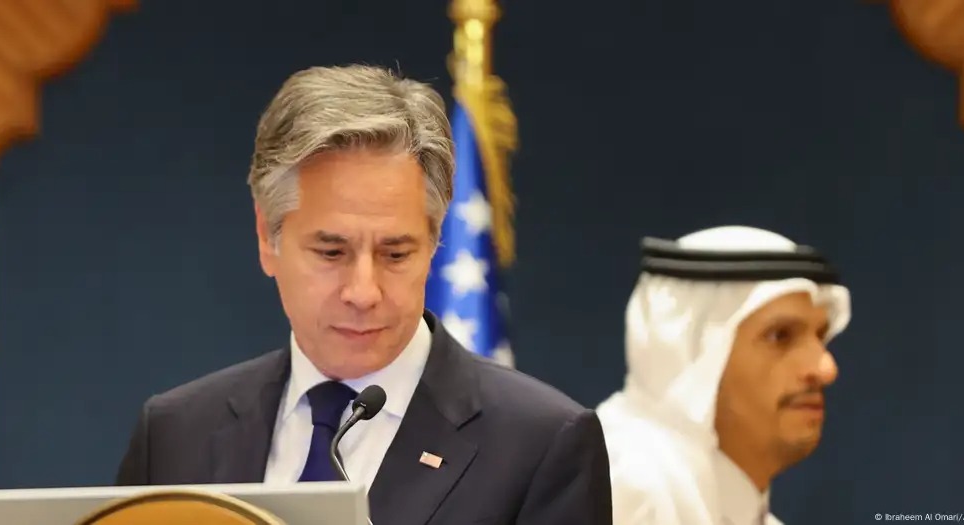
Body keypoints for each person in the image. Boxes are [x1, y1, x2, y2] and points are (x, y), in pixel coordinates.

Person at [114, 64, 613, 525]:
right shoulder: (175, 434)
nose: (363, 292)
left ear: (435, 243)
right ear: (268, 238)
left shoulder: (541, 446)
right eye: (331, 252)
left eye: (395, 254)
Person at [596, 225, 851, 525]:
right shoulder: (628, 484)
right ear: (692, 350)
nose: (825, 369)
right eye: (780, 336)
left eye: (821, 335)